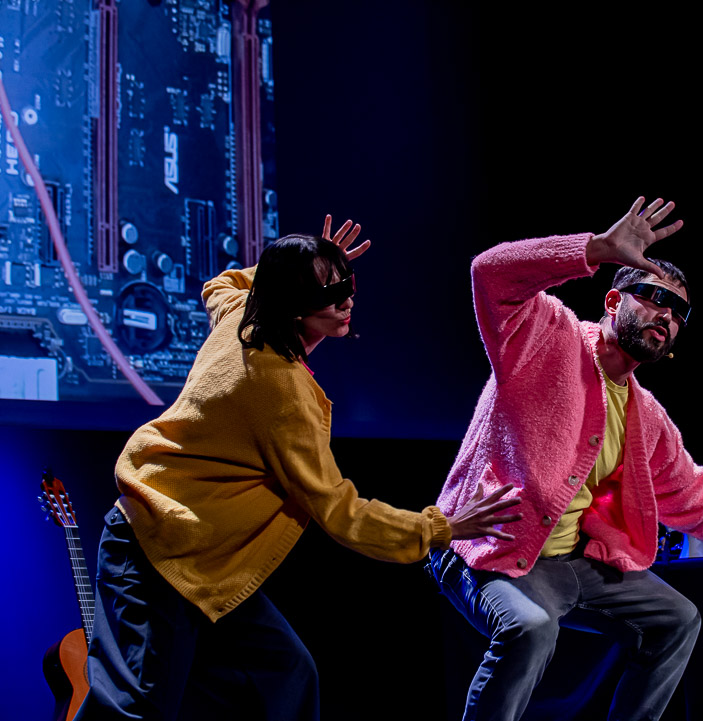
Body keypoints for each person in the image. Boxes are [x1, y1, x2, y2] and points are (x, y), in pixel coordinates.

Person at [430, 197, 703, 721]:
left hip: (571, 563)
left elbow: (702, 503)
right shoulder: (547, 337)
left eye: (679, 313)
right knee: (531, 627)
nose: (668, 317)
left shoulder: (646, 415)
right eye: (656, 298)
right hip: (485, 548)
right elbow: (490, 273)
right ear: (613, 301)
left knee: (677, 619)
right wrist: (595, 249)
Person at [75, 217, 521, 721]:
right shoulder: (282, 392)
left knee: (285, 676)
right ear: (292, 305)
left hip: (205, 563)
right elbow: (340, 511)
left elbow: (219, 283)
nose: (346, 300)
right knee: (136, 706)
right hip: (157, 549)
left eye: (347, 282)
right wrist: (442, 528)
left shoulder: (244, 313)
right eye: (328, 292)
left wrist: (306, 265)